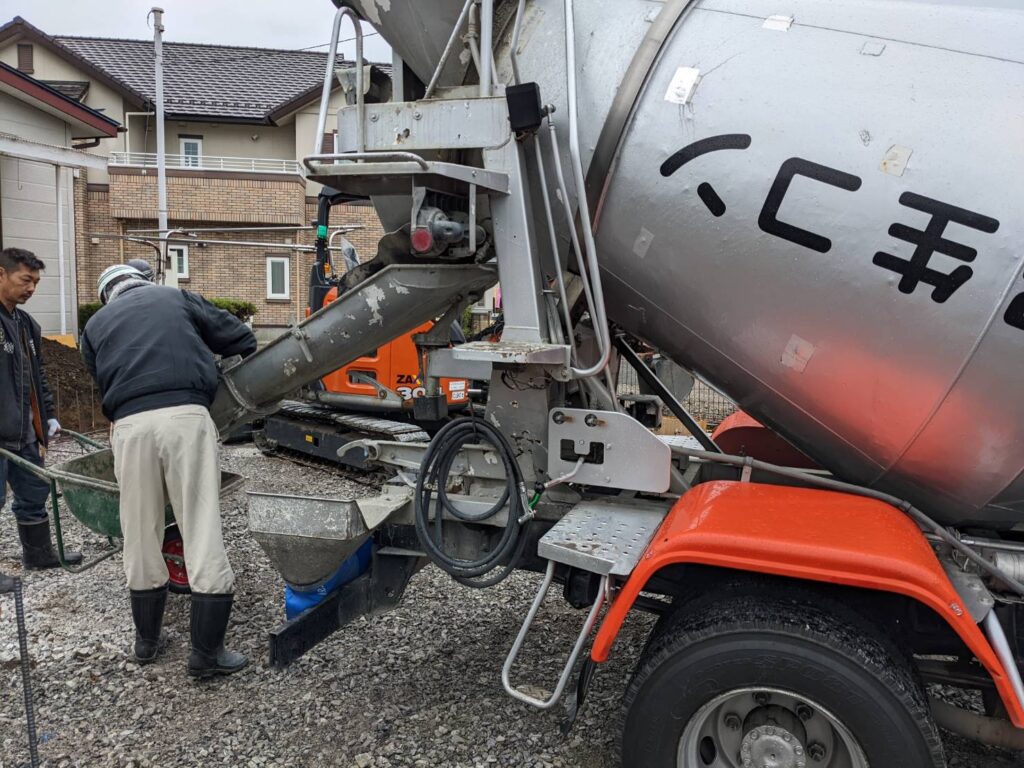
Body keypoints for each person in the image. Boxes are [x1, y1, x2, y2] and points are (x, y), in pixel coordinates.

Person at [81, 263, 257, 677]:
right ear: (141, 283)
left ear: (108, 297)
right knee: (199, 524)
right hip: (184, 418)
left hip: (129, 426)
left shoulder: (95, 325)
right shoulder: (174, 297)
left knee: (140, 531)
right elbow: (240, 337)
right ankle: (206, 655)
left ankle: (146, 643)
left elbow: (101, 376)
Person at [0, 247, 83, 570]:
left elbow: (38, 377)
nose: (32, 288)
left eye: (35, 282)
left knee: (34, 493)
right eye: (25, 280)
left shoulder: (25, 324)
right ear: (2, 274)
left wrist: (47, 416)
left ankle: (38, 555)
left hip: (24, 431)